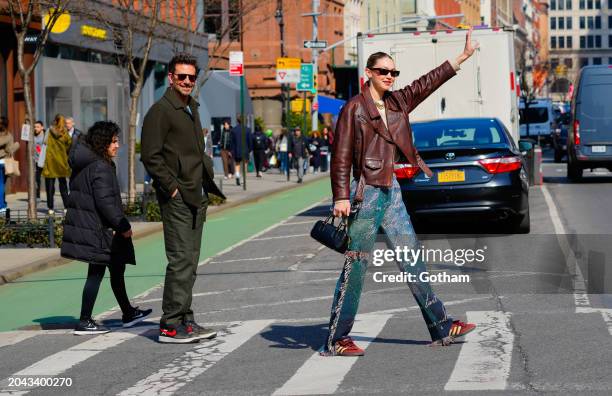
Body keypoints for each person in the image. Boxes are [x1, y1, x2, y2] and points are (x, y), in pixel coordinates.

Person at [321, 29, 480, 356]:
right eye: (383, 71)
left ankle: (441, 324)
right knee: (357, 266)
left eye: (394, 72)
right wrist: (340, 195)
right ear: (368, 73)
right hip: (366, 193)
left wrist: (461, 57)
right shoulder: (354, 109)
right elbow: (340, 154)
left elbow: (428, 82)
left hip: (390, 190)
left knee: (412, 258)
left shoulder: (397, 102)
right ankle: (337, 339)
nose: (390, 77)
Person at [141, 52, 225, 344]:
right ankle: (169, 324)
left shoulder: (190, 107)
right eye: (182, 77)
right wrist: (172, 188)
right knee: (179, 260)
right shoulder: (160, 111)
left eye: (191, 77)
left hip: (195, 194)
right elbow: (150, 156)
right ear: (171, 78)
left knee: (190, 260)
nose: (187, 81)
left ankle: (185, 319)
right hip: (178, 197)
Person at [61, 121, 152, 335]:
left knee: (116, 268)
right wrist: (122, 225)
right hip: (98, 229)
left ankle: (128, 313)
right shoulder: (100, 166)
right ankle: (84, 321)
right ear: (103, 143)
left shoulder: (92, 162)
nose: (117, 145)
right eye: (113, 141)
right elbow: (105, 202)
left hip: (96, 226)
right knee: (96, 272)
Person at [43, 114, 71, 214]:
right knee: (63, 186)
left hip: (50, 162)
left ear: (55, 121)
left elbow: (44, 143)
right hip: (61, 162)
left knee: (49, 187)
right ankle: (66, 207)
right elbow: (69, 144)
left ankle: (50, 208)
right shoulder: (65, 133)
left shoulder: (49, 132)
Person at [0, 116, 20, 213]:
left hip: (2, 162)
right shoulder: (8, 136)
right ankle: (2, 206)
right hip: (4, 162)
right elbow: (9, 150)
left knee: (1, 184)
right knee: (1, 184)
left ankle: (3, 203)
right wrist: (17, 144)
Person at [230, 115, 252, 186]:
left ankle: (237, 176)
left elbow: (231, 142)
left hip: (236, 150)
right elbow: (250, 141)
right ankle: (243, 179)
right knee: (245, 165)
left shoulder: (233, 130)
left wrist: (231, 151)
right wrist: (250, 149)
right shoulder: (248, 130)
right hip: (245, 150)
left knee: (237, 164)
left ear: (237, 121)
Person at [33, 120, 45, 201]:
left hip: (45, 160)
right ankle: (37, 195)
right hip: (36, 160)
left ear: (42, 127)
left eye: (37, 127)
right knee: (37, 178)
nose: (36, 128)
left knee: (49, 178)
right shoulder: (33, 136)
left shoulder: (45, 136)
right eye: (35, 127)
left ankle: (50, 194)